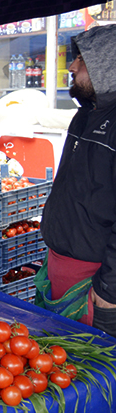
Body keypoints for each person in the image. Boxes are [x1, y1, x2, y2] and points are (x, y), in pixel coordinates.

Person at [40, 24, 116, 338]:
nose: (71, 66)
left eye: (81, 60)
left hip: (95, 282)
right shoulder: (83, 115)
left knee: (89, 377)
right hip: (60, 269)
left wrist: (110, 289)